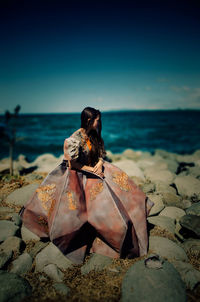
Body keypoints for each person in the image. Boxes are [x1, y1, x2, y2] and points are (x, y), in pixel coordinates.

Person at [19, 107, 154, 264]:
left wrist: (100, 163)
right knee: (81, 208)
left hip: (93, 169)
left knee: (123, 186)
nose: (100, 122)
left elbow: (101, 153)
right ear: (89, 120)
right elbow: (73, 164)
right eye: (97, 120)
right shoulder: (73, 140)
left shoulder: (93, 134)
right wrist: (92, 170)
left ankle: (135, 214)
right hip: (77, 173)